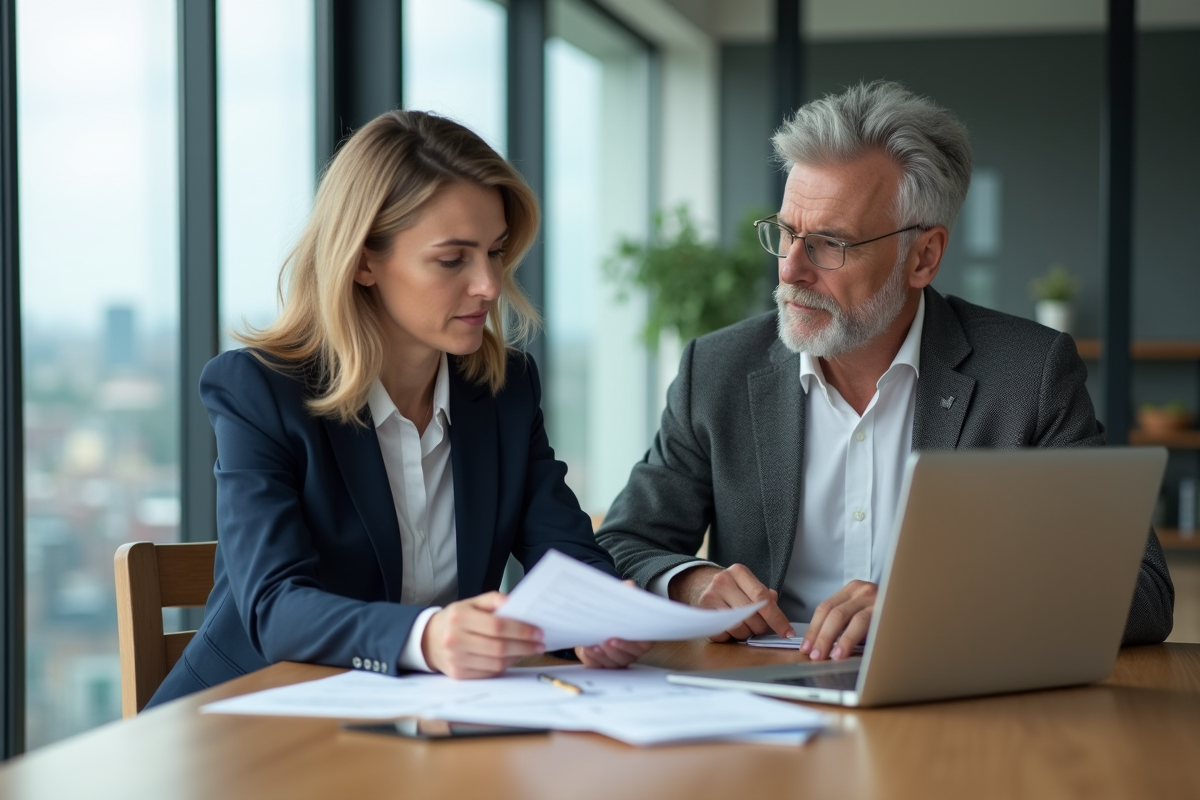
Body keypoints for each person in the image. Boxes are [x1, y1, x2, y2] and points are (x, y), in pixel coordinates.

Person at [596, 80, 1174, 663]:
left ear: (923, 256)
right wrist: (689, 581)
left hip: (947, 700)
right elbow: (623, 543)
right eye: (787, 233)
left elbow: (1143, 591)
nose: (791, 269)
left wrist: (933, 606)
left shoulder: (1030, 373)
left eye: (829, 244)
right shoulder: (715, 369)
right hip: (765, 698)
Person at [148, 111, 649, 707]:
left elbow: (562, 550)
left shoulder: (503, 389)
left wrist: (593, 621)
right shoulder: (260, 390)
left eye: (494, 251)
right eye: (452, 259)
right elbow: (275, 609)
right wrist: (428, 636)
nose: (489, 284)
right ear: (362, 261)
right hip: (250, 723)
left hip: (419, 721)